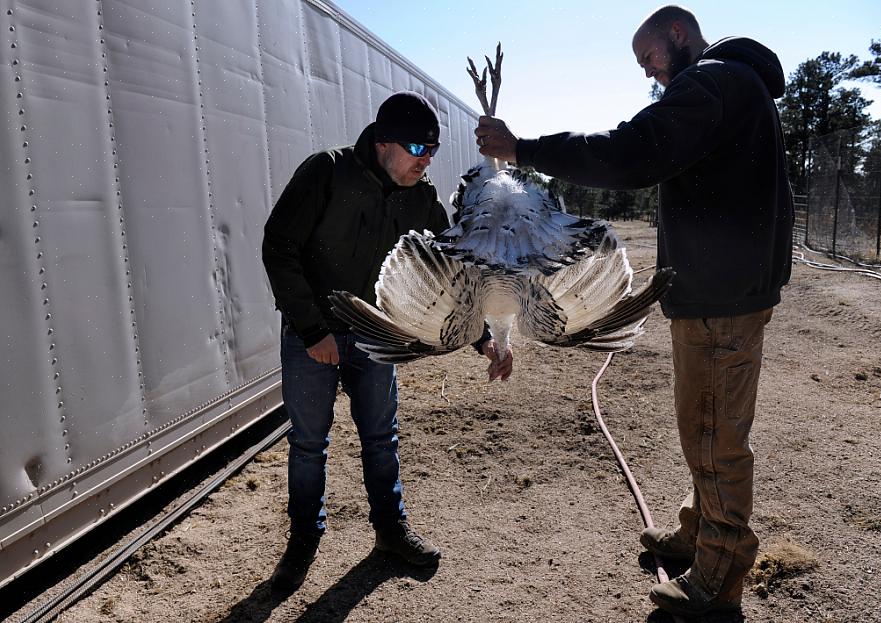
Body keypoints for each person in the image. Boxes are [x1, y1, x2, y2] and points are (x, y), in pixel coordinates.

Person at [474, 4, 793, 618]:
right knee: (704, 426)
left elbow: (631, 151)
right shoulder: (736, 87)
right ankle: (698, 534)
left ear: (677, 35)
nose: (649, 73)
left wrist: (525, 148)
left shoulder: (712, 82)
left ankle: (717, 579)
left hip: (720, 299)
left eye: (648, 57)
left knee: (714, 434)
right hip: (722, 291)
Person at [262, 91, 513, 592]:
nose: (425, 158)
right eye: (417, 146)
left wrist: (482, 338)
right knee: (309, 445)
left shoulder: (421, 198)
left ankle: (390, 533)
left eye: (434, 149)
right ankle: (303, 542)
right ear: (382, 143)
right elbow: (279, 247)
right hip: (314, 336)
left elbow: (450, 275)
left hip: (377, 338)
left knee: (381, 438)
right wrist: (315, 332)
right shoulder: (326, 173)